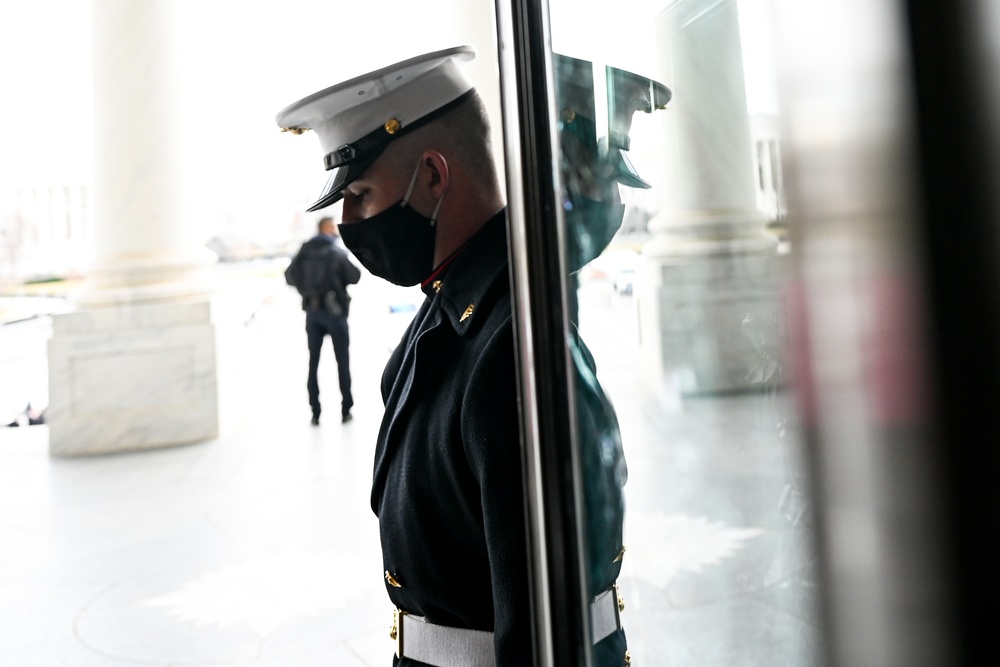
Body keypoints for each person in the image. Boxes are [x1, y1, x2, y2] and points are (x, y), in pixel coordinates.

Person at [275, 45, 668, 666]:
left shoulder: (513, 348)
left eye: (360, 192)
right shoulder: (451, 307)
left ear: (433, 176)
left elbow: (544, 628)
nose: (349, 221)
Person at [284, 215, 361, 425]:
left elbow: (289, 277)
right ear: (327, 229)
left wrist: (307, 291)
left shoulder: (304, 252)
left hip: (312, 312)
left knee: (313, 362)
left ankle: (315, 411)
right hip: (335, 313)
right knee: (342, 362)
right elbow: (355, 276)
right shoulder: (335, 252)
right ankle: (346, 409)